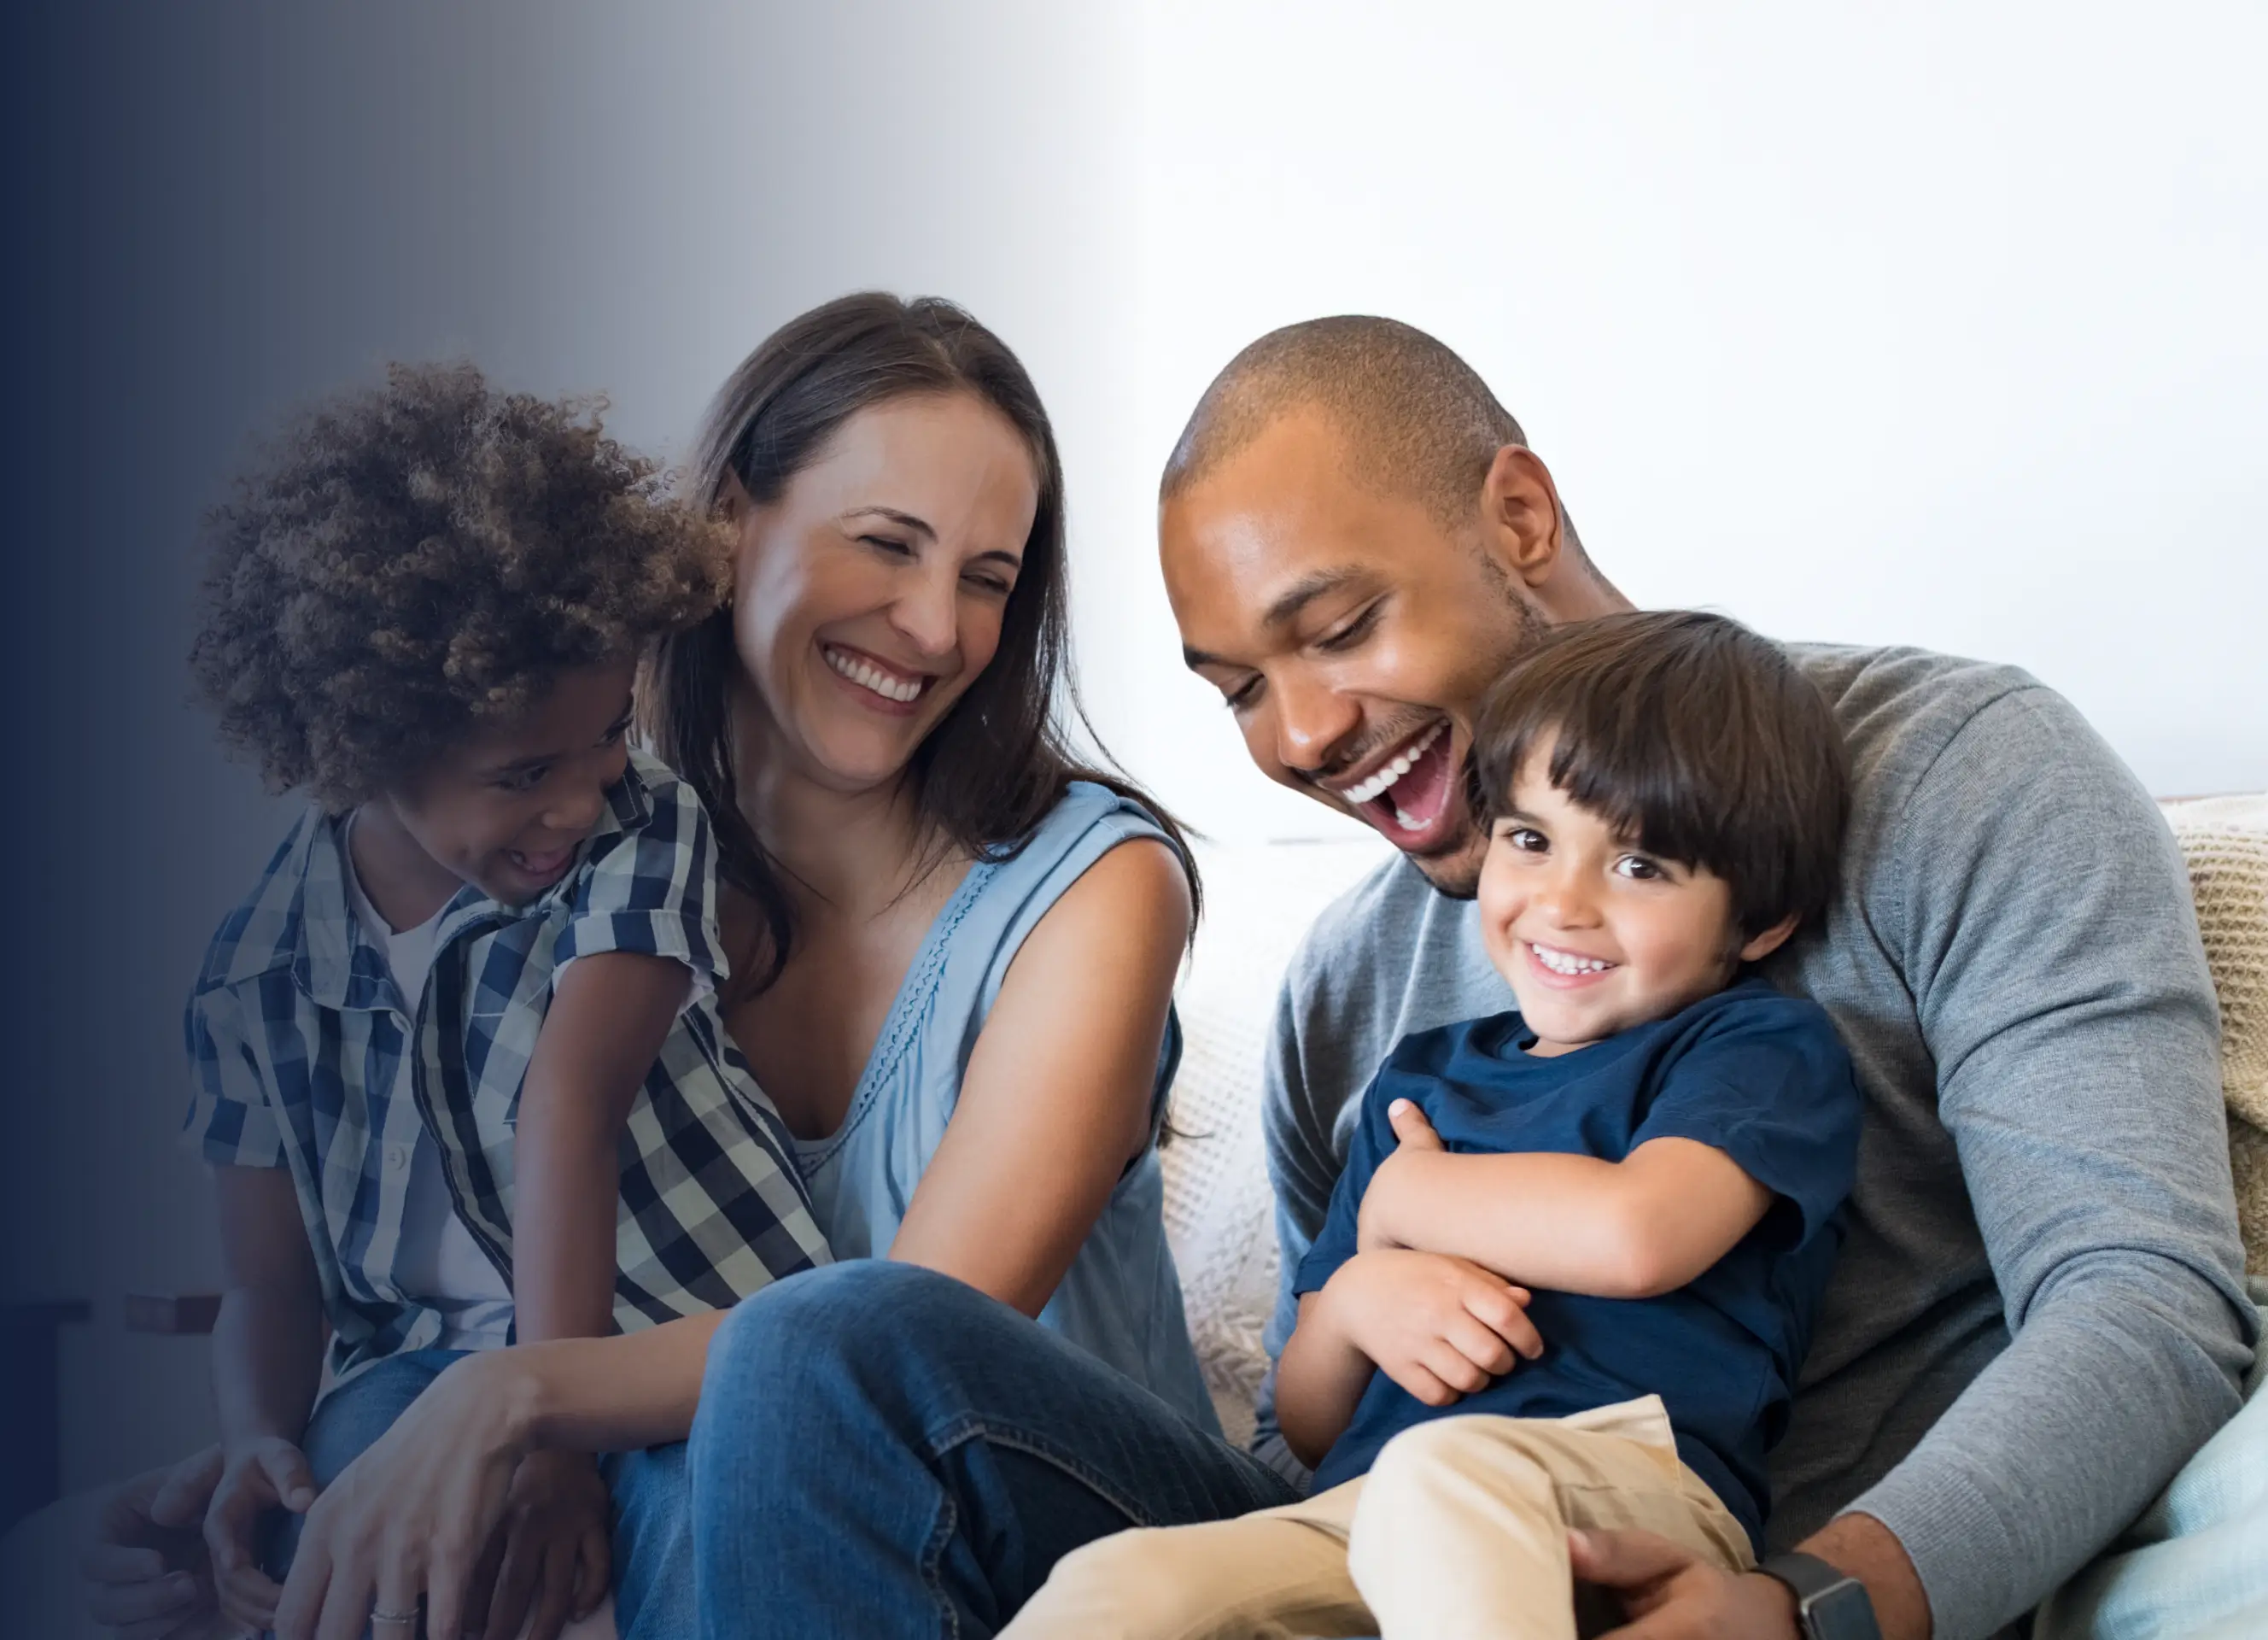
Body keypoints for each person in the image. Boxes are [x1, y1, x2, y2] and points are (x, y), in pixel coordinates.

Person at [691, 313, 2257, 1640]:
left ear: (1517, 519)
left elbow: (2144, 1303)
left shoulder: (1958, 776)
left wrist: (1814, 1608)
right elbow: (1312, 1430)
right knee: (821, 1348)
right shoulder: (1347, 986)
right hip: (1380, 1551)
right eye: (1240, 690)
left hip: (1737, 1548)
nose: (1303, 736)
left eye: (1339, 628)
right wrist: (1361, 1296)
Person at [1007, 609, 1863, 1638]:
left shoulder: (1753, 1047)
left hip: (1623, 1480)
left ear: (1760, 922)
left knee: (1439, 1477)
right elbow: (1310, 1426)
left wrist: (1410, 1198)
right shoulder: (1419, 1083)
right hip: (1365, 1504)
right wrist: (1357, 1301)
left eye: (1641, 866)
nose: (1564, 903)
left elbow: (1639, 1236)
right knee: (1123, 1584)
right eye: (1531, 840)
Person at [153, 361, 839, 1640]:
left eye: (608, 735)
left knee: (715, 1528)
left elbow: (566, 1114)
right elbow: (270, 1288)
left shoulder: (643, 831)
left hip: (675, 1336)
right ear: (367, 748)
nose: (578, 800)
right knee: (326, 1525)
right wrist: (254, 1439)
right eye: (524, 773)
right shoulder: (256, 973)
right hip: (417, 1367)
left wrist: (555, 1447)